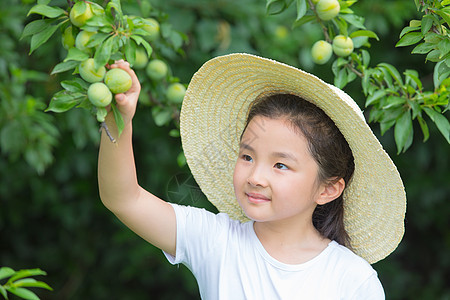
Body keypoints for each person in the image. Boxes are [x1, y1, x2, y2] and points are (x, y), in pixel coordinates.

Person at [98, 53, 406, 299]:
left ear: (327, 189)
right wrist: (118, 119)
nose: (255, 176)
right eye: (247, 156)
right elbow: (124, 198)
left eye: (280, 165)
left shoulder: (352, 280)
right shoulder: (216, 241)